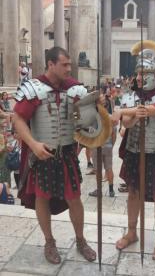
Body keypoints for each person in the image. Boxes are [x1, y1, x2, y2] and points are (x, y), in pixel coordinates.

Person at [13, 47, 98, 265]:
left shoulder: (76, 89)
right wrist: (32, 144)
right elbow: (18, 119)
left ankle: (80, 240)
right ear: (51, 64)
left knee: (75, 198)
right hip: (43, 155)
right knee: (42, 197)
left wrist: (93, 125)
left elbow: (89, 124)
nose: (69, 68)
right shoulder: (33, 88)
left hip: (68, 154)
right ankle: (49, 241)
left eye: (70, 64)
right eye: (65, 65)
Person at [112, 40, 155, 260]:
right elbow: (129, 124)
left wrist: (123, 111)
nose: (139, 78)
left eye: (144, 73)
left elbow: (152, 110)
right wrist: (126, 117)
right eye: (138, 73)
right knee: (133, 192)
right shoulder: (132, 96)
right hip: (133, 153)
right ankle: (132, 232)